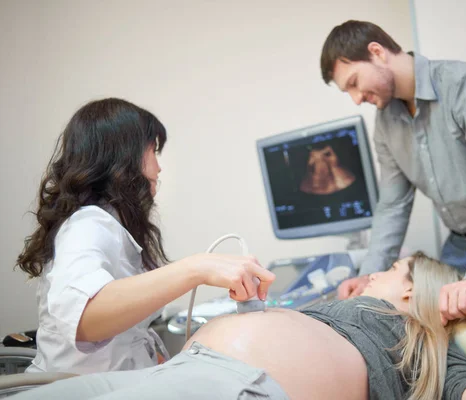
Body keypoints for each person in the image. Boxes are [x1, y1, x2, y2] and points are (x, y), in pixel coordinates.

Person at [10, 252, 466, 400]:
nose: (374, 273)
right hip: (188, 370)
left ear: (414, 290)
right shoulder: (345, 307)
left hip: (243, 386)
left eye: (391, 270)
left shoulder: (428, 352)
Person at [321, 20, 466, 324]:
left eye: (355, 82)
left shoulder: (464, 84)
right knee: (450, 342)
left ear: (377, 52)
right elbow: (393, 205)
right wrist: (368, 274)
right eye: (348, 92)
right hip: (460, 242)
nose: (357, 98)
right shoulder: (385, 125)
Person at [15, 98, 275, 374]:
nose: (159, 168)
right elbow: (85, 319)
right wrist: (197, 268)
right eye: (153, 151)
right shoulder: (86, 225)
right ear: (126, 156)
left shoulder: (112, 226)